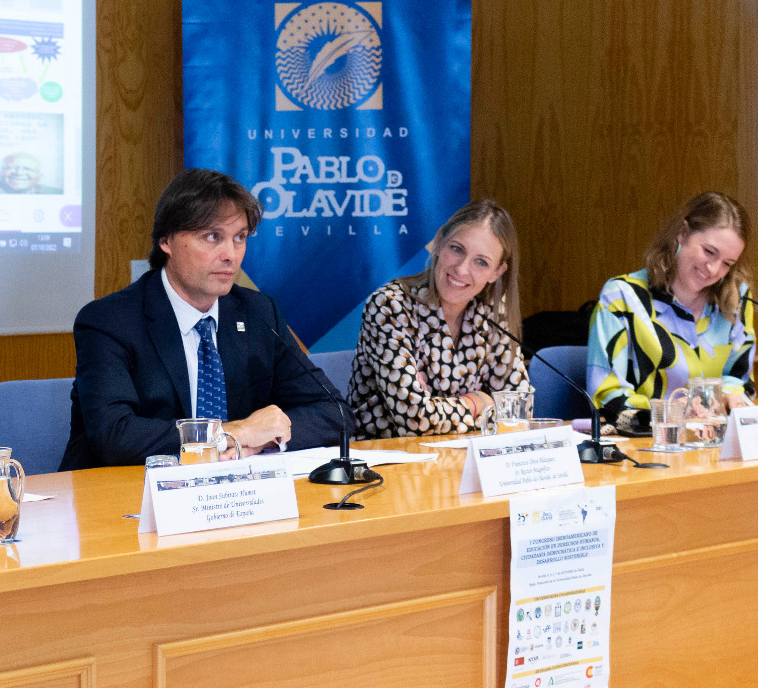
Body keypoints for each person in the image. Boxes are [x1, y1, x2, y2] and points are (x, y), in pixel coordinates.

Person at [60, 168, 345, 469]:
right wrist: (232, 433)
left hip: (233, 496)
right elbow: (114, 436)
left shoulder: (259, 313)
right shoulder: (109, 321)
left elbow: (334, 413)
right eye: (212, 237)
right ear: (166, 240)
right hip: (122, 499)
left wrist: (261, 441)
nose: (230, 255)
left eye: (240, 238)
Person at [347, 199, 530, 438]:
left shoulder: (494, 313)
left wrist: (436, 409)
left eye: (481, 262)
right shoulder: (390, 307)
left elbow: (518, 411)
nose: (462, 269)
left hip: (461, 460)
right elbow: (415, 420)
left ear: (497, 272)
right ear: (439, 242)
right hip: (385, 462)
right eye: (457, 249)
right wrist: (478, 403)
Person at [587, 191, 755, 433]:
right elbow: (605, 398)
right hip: (648, 450)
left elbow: (741, 380)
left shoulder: (735, 298)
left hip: (712, 444)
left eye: (728, 263)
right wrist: (672, 411)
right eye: (709, 252)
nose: (714, 269)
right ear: (682, 233)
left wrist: (729, 395)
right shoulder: (622, 297)